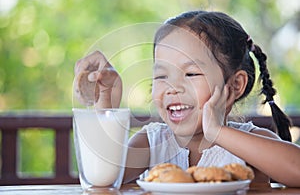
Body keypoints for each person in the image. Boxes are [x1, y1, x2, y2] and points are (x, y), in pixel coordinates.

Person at [74, 10, 300, 187]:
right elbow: (103, 176)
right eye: (161, 76)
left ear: (235, 85)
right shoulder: (151, 143)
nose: (172, 87)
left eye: (191, 74)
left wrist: (218, 132)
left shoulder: (249, 143)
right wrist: (105, 100)